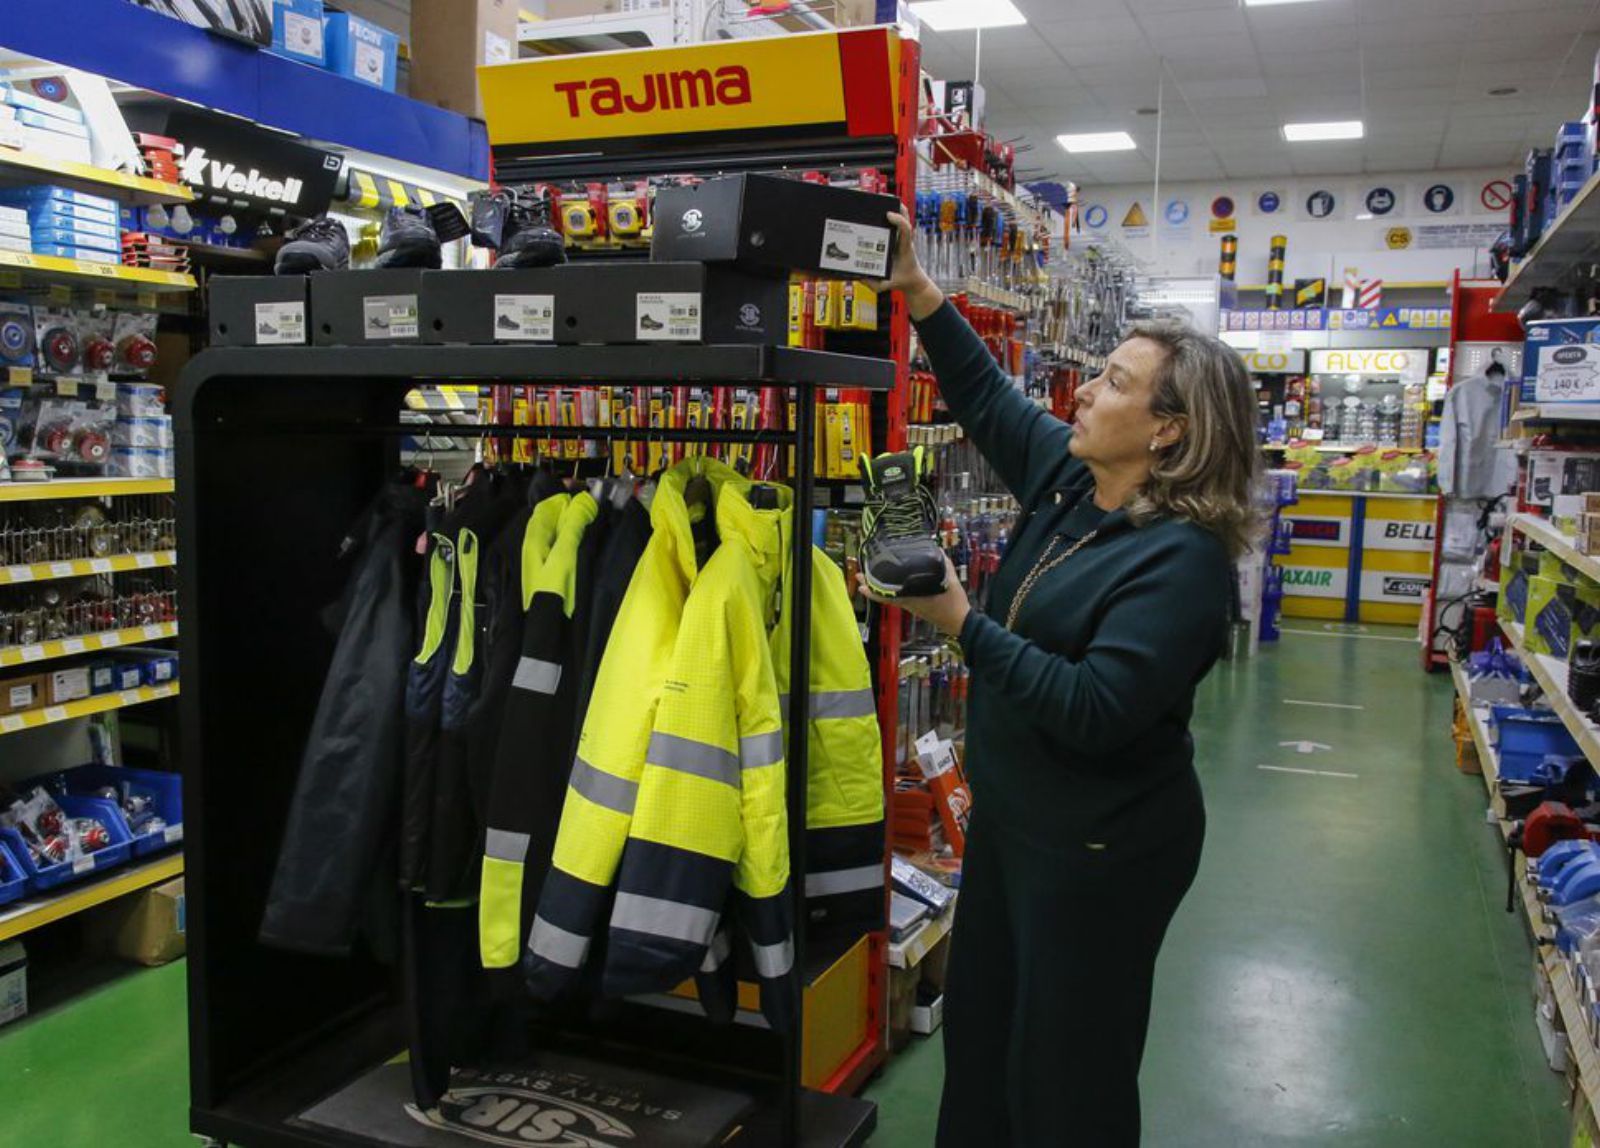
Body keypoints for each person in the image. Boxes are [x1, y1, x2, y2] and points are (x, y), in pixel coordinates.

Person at [864, 212, 1260, 1145]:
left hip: (1101, 852)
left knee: (1065, 1071)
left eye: (1114, 383)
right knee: (983, 1037)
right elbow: (988, 398)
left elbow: (1093, 711)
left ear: (1169, 431)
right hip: (1016, 824)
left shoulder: (1183, 563)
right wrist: (919, 291)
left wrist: (961, 623)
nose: (1083, 391)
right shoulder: (1074, 484)